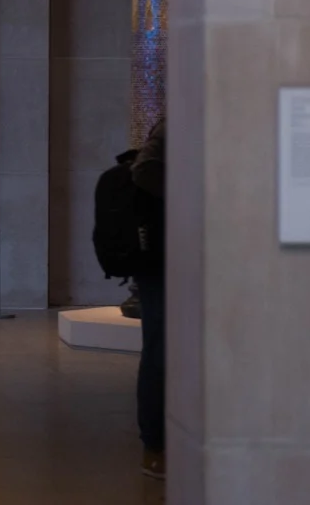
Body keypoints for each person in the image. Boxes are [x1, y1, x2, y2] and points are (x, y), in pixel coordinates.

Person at [131, 116, 166, 479]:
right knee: (160, 346)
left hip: (170, 252)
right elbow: (145, 171)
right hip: (162, 256)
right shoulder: (174, 126)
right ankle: (154, 445)